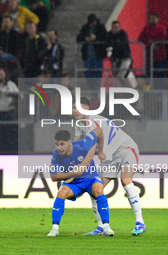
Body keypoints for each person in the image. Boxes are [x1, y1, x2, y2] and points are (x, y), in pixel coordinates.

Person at [73, 96, 146, 236]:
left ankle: (140, 222)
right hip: (110, 156)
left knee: (126, 181)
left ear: (87, 108)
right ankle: (101, 227)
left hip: (126, 149)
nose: (75, 111)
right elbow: (77, 145)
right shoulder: (79, 125)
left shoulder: (92, 122)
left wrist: (79, 168)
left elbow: (89, 152)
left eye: (79, 107)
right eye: (74, 107)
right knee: (95, 188)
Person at [47, 128, 114, 237]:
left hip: (91, 178)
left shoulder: (83, 145)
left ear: (70, 143)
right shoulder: (56, 154)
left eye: (62, 144)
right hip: (74, 183)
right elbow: (53, 176)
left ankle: (106, 227)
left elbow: (99, 131)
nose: (59, 148)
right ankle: (54, 229)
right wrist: (72, 174)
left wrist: (100, 151)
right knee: (61, 193)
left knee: (98, 190)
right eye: (57, 144)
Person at [77, 14, 107, 89]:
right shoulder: (85, 27)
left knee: (98, 74)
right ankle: (93, 88)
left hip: (98, 55)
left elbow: (105, 37)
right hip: (88, 56)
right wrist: (85, 38)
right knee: (87, 73)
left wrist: (96, 38)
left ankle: (96, 90)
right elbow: (78, 37)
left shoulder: (101, 27)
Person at [138, 13, 167, 82]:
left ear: (158, 20)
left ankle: (160, 91)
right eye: (150, 19)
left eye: (153, 19)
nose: (152, 20)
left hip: (160, 55)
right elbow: (141, 38)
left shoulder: (162, 28)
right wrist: (150, 43)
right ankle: (150, 89)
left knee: (160, 74)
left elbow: (163, 39)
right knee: (149, 74)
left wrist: (155, 43)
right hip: (149, 56)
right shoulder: (146, 28)